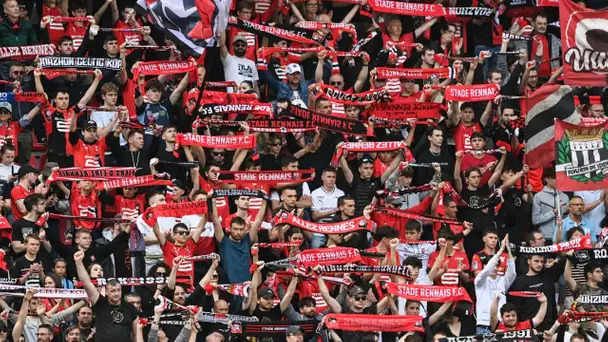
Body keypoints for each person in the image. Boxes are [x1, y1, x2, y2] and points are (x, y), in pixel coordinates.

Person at [74, 250, 138, 342]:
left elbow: (136, 335)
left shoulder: (130, 308)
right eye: (112, 291)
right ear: (106, 292)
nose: (116, 293)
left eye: (118, 290)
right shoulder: (100, 302)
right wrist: (78, 262)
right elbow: (86, 282)